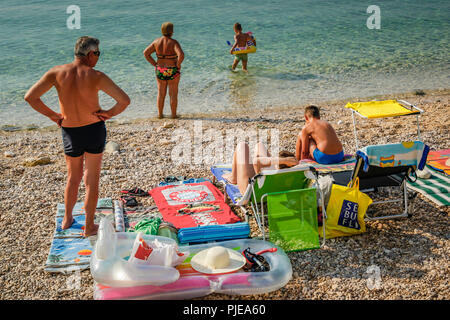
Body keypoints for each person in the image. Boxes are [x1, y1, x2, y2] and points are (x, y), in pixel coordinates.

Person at [24, 36, 130, 237]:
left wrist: (54, 116)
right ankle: (89, 226)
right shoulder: (96, 75)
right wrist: (108, 113)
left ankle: (67, 219)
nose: (98, 58)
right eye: (98, 54)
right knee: (92, 180)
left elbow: (30, 97)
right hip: (93, 129)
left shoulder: (56, 73)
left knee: (73, 177)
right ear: (91, 54)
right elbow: (124, 101)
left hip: (70, 130)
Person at [222, 142, 299, 195]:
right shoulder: (296, 173)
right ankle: (258, 164)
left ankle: (233, 177)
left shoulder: (274, 169)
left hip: (250, 191)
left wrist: (282, 160)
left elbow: (255, 162)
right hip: (264, 184)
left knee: (242, 145)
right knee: (260, 145)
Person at [143, 22, 184, 119]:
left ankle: (160, 115)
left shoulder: (156, 42)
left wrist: (155, 64)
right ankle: (173, 115)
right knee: (173, 94)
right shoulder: (173, 42)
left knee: (161, 93)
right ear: (172, 31)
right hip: (172, 69)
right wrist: (178, 65)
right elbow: (181, 55)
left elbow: (145, 53)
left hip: (160, 69)